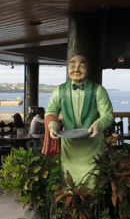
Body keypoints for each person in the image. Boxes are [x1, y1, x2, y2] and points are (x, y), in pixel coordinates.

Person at [45, 55, 114, 184]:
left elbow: (108, 114)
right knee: (69, 184)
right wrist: (53, 125)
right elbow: (50, 111)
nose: (76, 70)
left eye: (81, 66)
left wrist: (99, 124)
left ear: (87, 69)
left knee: (93, 183)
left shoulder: (99, 90)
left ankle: (93, 203)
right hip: (69, 147)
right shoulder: (59, 91)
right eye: (72, 66)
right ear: (67, 68)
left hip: (92, 145)